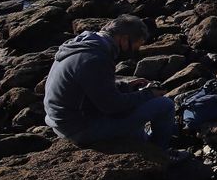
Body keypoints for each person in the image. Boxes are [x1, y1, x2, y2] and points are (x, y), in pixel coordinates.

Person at [44, 14, 176, 149]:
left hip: (61, 120)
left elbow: (90, 88)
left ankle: (142, 143)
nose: (135, 51)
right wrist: (150, 94)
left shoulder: (83, 45)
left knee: (134, 106)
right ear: (124, 39)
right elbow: (113, 107)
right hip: (78, 129)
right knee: (164, 105)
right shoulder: (96, 58)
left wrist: (125, 85)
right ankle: (162, 152)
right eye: (136, 46)